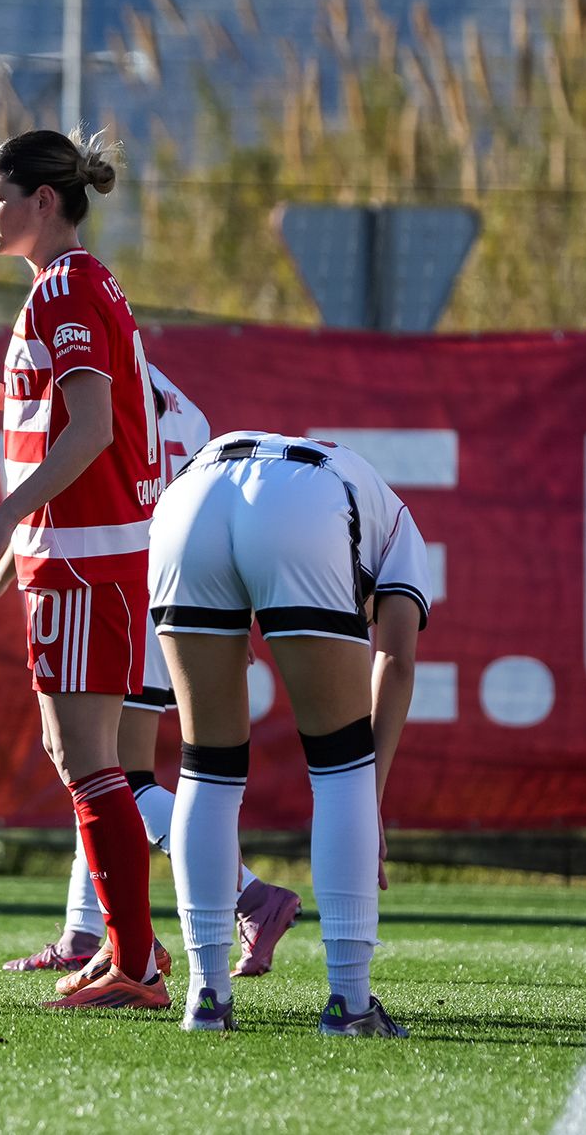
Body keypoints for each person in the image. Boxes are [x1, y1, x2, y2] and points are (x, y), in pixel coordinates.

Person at [0, 361, 304, 983]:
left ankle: (251, 896)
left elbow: (71, 472)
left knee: (109, 775)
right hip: (168, 591)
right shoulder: (186, 410)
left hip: (115, 585)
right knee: (98, 767)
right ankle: (85, 931)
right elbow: (206, 511)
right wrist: (227, 608)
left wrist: (2, 572)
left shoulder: (97, 382)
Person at [0, 129, 167, 1010]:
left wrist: (3, 520)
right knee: (81, 754)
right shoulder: (80, 282)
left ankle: (135, 961)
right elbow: (79, 410)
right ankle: (129, 952)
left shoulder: (66, 288)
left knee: (86, 756)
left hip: (85, 557)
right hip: (81, 553)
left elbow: (91, 429)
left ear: (43, 199)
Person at [151, 431, 427, 1036]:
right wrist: (371, 795)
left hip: (188, 496)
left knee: (207, 766)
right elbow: (397, 660)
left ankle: (206, 997)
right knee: (342, 767)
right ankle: (350, 1004)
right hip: (302, 503)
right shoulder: (400, 523)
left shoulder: (357, 482)